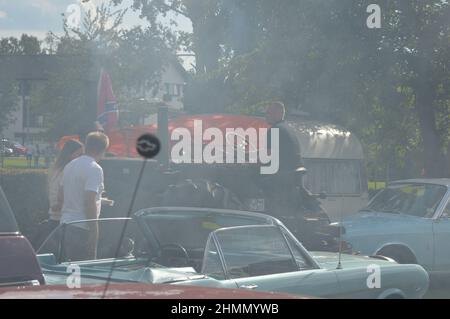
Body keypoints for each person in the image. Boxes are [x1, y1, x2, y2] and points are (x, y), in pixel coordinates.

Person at [59, 132, 110, 261]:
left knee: (68, 272)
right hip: (82, 228)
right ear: (103, 150)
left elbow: (61, 196)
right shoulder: (95, 169)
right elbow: (89, 201)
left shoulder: (69, 166)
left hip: (65, 224)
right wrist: (94, 231)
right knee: (86, 273)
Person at [31, 140, 84, 250]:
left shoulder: (56, 169)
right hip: (61, 218)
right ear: (70, 154)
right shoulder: (66, 170)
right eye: (79, 154)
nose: (81, 157)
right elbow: (60, 195)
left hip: (55, 217)